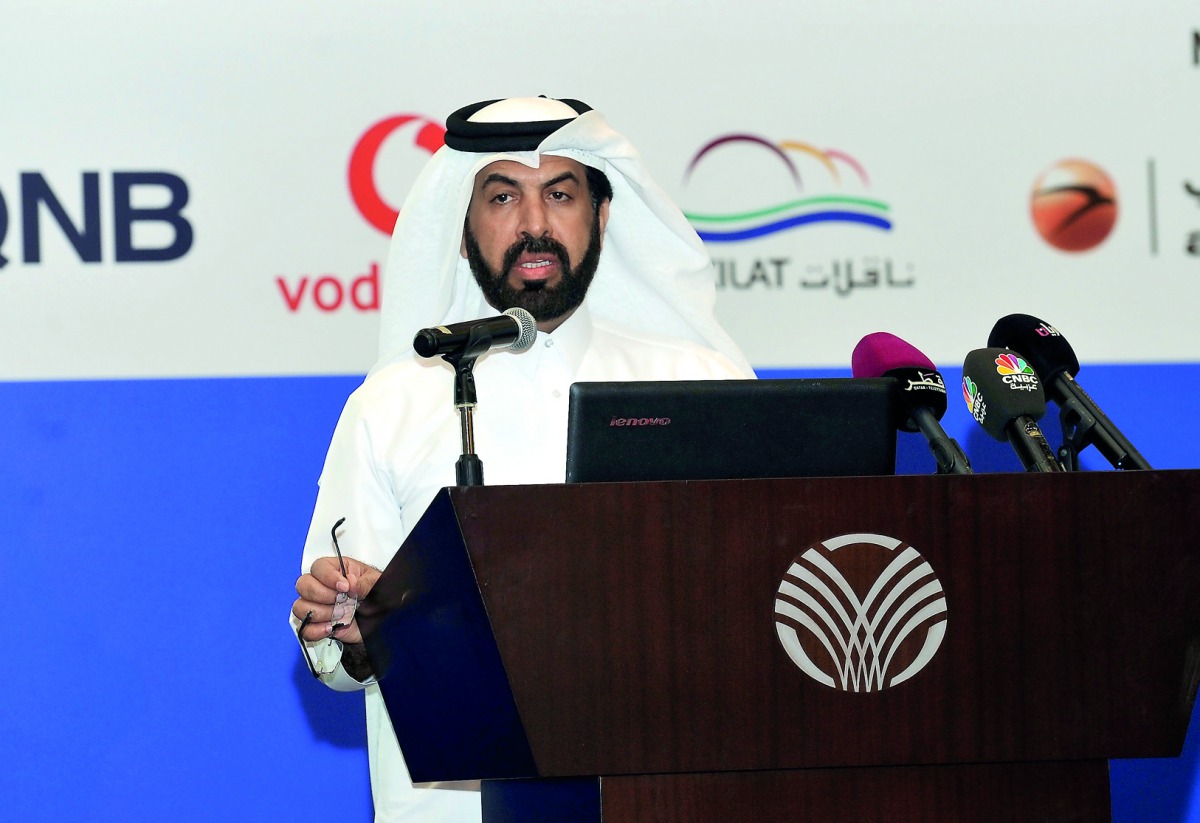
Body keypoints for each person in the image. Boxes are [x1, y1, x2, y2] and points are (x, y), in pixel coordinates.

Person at [291, 96, 754, 822]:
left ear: (602, 216)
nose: (534, 223)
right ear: (463, 229)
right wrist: (352, 626)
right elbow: (334, 655)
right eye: (503, 196)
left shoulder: (705, 388)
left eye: (560, 195)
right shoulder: (389, 406)